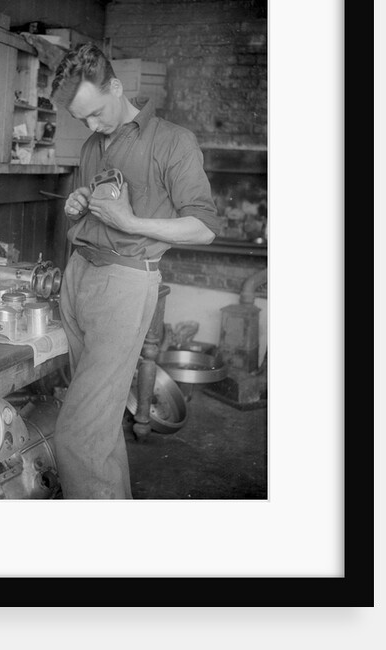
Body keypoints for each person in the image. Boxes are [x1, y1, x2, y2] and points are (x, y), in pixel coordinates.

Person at [50, 43, 222, 499]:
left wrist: (130, 222)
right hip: (78, 277)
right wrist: (77, 207)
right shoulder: (92, 145)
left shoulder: (172, 141)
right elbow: (95, 207)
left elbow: (204, 228)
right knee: (100, 427)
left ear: (117, 87)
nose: (90, 126)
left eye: (95, 113)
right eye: (80, 118)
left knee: (76, 436)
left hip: (124, 284)